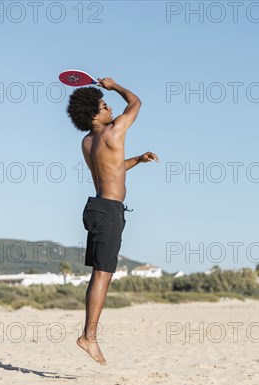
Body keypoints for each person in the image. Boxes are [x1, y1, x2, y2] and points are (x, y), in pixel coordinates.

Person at [66, 77, 159, 365]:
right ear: (95, 114)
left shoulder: (87, 141)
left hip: (95, 208)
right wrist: (114, 85)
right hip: (108, 211)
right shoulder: (114, 130)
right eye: (105, 106)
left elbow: (111, 167)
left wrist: (138, 160)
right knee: (102, 275)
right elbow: (136, 103)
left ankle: (89, 335)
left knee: (99, 272)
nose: (110, 109)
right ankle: (88, 337)